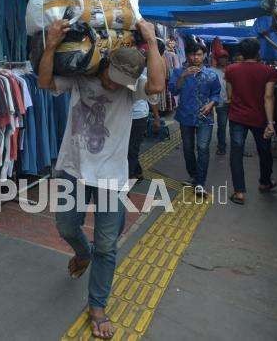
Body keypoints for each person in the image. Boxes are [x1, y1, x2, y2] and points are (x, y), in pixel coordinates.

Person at [39, 19, 165, 340]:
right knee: (67, 226)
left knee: (107, 245)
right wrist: (52, 44)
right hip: (73, 168)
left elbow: (156, 86)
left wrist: (150, 39)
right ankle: (82, 253)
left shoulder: (131, 87)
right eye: (112, 77)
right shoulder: (82, 74)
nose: (114, 85)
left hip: (111, 177)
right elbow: (44, 83)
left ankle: (97, 306)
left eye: (123, 82)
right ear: (105, 62)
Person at [225, 38, 277, 205]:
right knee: (264, 151)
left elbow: (229, 95)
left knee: (236, 153)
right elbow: (268, 97)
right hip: (260, 118)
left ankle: (239, 192)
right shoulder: (268, 71)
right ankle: (265, 182)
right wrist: (270, 123)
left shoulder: (231, 69)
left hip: (237, 117)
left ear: (240, 53)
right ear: (258, 52)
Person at [169, 42, 220, 196]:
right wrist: (183, 76)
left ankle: (200, 183)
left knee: (203, 148)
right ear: (188, 55)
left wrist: (211, 104)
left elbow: (216, 94)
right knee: (188, 149)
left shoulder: (211, 74)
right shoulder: (178, 72)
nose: (195, 57)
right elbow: (173, 90)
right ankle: (193, 175)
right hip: (185, 116)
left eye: (199, 54)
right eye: (192, 54)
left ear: (204, 55)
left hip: (205, 117)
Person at [209, 51, 230, 156]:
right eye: (221, 57)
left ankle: (239, 148)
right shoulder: (212, 71)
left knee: (237, 127)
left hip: (234, 103)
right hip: (221, 102)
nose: (223, 60)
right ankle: (221, 147)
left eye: (225, 57)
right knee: (222, 126)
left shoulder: (232, 70)